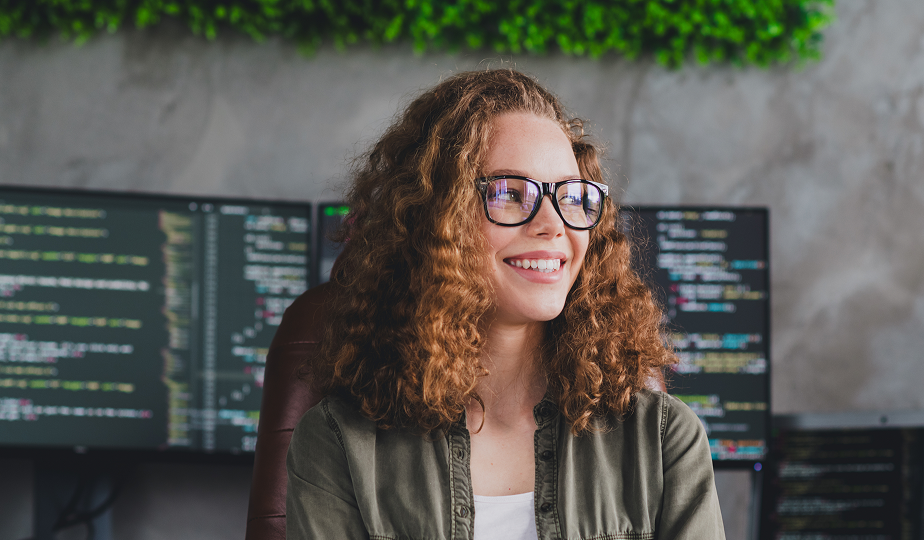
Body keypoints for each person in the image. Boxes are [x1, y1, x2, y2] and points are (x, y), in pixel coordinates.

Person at [286, 69, 725, 540]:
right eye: (508, 194)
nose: (553, 224)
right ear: (434, 219)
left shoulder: (662, 440)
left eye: (571, 197)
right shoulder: (338, 441)